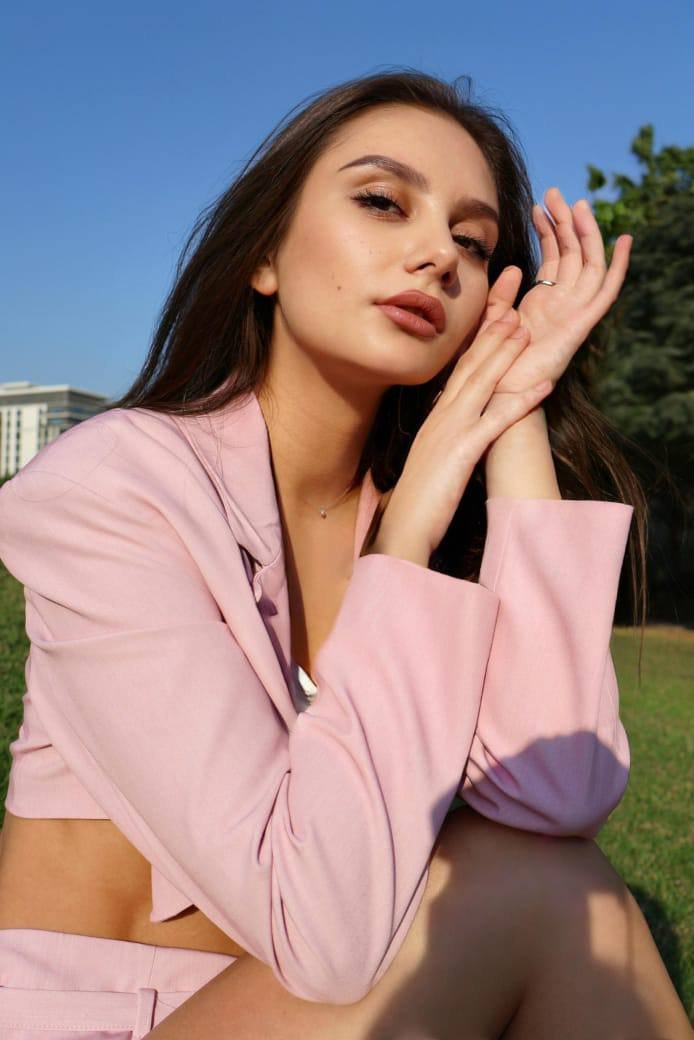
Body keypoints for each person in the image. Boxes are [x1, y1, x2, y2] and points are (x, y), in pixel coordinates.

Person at [0, 68, 690, 1039]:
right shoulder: (115, 487)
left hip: (310, 1004)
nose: (437, 256)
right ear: (264, 256)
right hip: (100, 1016)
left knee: (555, 875)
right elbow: (322, 933)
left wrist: (513, 403)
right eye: (382, 201)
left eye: (472, 243)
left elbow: (555, 791)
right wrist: (403, 543)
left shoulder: (418, 514)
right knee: (544, 892)